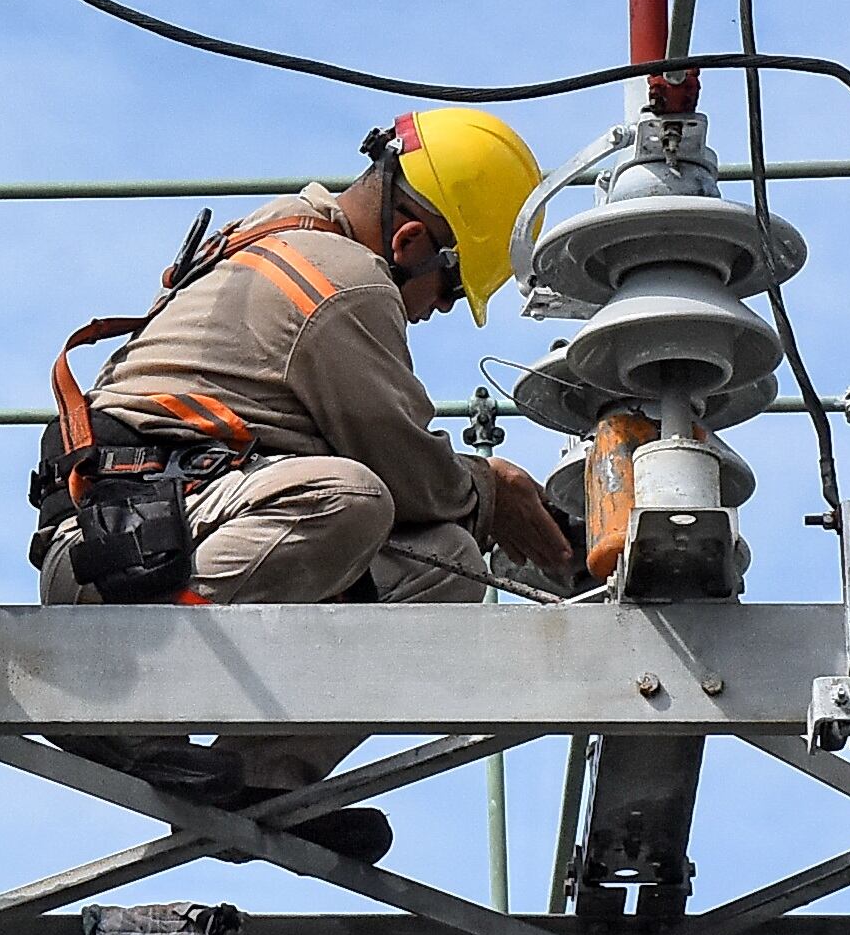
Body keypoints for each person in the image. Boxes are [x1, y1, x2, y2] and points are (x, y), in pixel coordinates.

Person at [32, 108, 582, 861]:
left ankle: (259, 781)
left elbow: (430, 510)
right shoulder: (341, 279)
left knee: (449, 563)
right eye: (449, 287)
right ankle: (123, 701)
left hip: (172, 533)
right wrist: (497, 492)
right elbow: (405, 470)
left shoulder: (279, 243)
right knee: (347, 498)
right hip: (123, 555)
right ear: (409, 241)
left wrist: (478, 507)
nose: (438, 310)